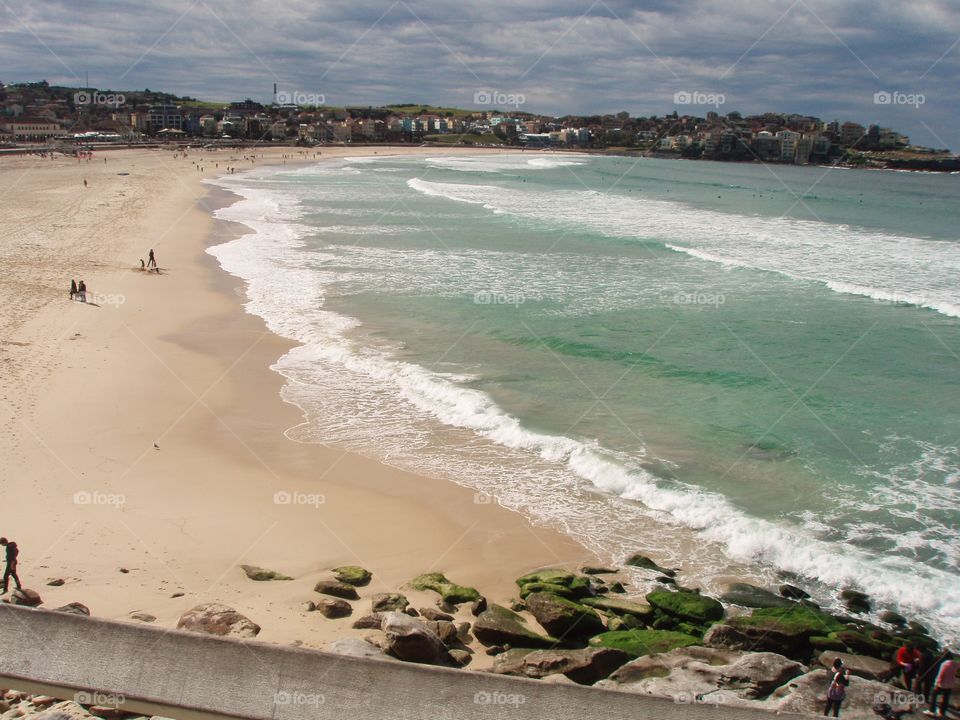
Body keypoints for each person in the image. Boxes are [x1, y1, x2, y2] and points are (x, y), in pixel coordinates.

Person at [927, 651, 956, 718]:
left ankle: (931, 711)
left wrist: (936, 684)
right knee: (945, 698)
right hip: (950, 684)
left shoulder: (944, 664)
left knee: (934, 696)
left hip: (941, 684)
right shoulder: (955, 664)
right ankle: (941, 712)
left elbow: (940, 675)